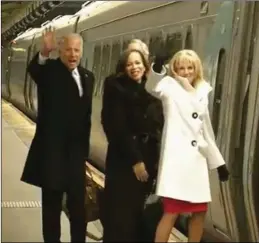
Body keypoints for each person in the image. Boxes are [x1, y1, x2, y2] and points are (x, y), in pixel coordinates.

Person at [145, 48, 230, 242]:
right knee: (171, 212)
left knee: (199, 212)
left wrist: (219, 163)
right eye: (181, 68)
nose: (186, 72)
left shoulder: (202, 90)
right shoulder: (168, 87)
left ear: (196, 68)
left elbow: (205, 128)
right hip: (177, 163)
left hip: (196, 163)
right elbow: (152, 87)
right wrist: (158, 67)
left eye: (190, 67)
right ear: (174, 69)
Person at [20, 31, 95, 242]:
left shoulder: (88, 77)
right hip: (52, 155)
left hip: (75, 157)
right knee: (51, 209)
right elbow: (34, 69)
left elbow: (86, 118)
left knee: (78, 210)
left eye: (76, 50)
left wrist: (84, 154)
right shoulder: (50, 71)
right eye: (68, 50)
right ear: (61, 51)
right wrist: (44, 51)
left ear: (81, 52)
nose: (73, 54)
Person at [101, 49, 164, 242]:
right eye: (129, 64)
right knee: (121, 220)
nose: (134, 67)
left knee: (140, 218)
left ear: (145, 66)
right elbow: (117, 129)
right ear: (123, 68)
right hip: (125, 163)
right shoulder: (116, 88)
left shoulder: (150, 90)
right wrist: (135, 160)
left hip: (148, 161)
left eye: (138, 63)